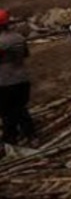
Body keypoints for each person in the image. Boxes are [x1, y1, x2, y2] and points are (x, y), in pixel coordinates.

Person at [0, 9, 35, 148]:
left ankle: (10, 137)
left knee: (6, 111)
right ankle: (30, 133)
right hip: (22, 78)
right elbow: (25, 54)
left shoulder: (2, 41)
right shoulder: (18, 37)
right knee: (21, 108)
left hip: (5, 81)